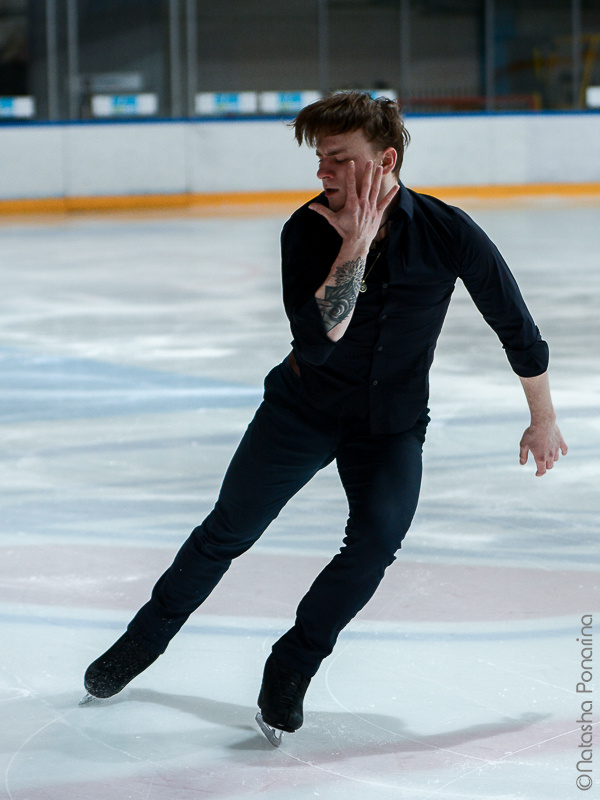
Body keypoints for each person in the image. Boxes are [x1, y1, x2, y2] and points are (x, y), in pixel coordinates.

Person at [82, 91, 567, 740]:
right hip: (301, 414)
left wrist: (543, 418)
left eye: (338, 159)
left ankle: (292, 667)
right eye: (320, 159)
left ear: (385, 159)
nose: (322, 173)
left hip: (390, 426)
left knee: (374, 546)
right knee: (226, 533)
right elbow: (317, 340)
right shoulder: (307, 230)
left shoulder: (448, 231)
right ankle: (142, 643)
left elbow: (514, 323)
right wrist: (355, 249)